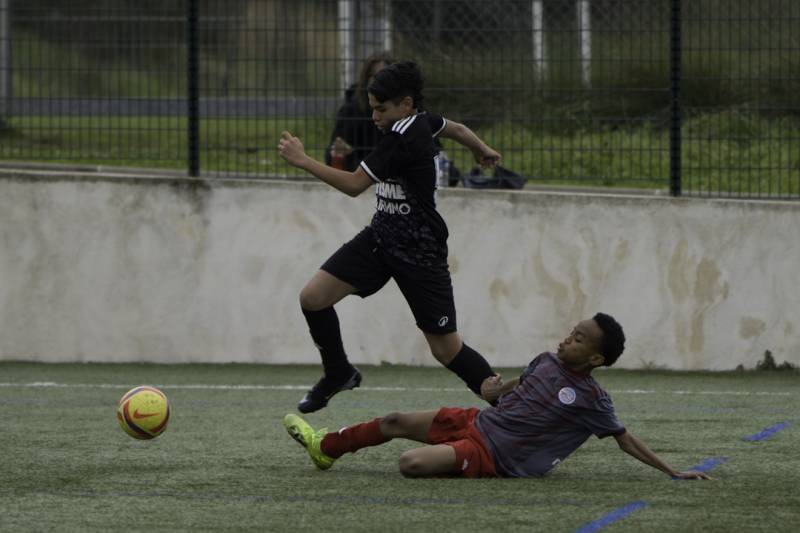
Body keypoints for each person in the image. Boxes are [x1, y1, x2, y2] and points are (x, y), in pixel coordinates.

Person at [278, 61, 502, 413]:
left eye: (381, 109)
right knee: (314, 297)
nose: (375, 117)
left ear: (406, 104)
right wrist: (481, 148)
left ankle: (512, 406)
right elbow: (455, 128)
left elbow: (354, 185)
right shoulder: (422, 120)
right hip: (381, 238)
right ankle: (338, 372)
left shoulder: (403, 138)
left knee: (445, 349)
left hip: (419, 251)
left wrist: (303, 160)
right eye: (372, 109)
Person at [283, 313, 712, 480]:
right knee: (394, 420)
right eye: (571, 331)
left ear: (597, 357)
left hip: (494, 456)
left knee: (409, 464)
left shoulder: (591, 399)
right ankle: (326, 447)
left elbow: (623, 437)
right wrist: (496, 388)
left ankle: (451, 455)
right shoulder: (545, 359)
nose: (567, 338)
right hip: (476, 422)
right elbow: (517, 387)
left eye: (578, 339)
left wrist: (673, 471)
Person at [325, 51, 394, 171]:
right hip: (359, 177)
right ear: (366, 79)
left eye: (383, 76)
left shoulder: (403, 110)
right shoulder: (351, 112)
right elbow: (332, 158)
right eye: (374, 76)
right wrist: (342, 153)